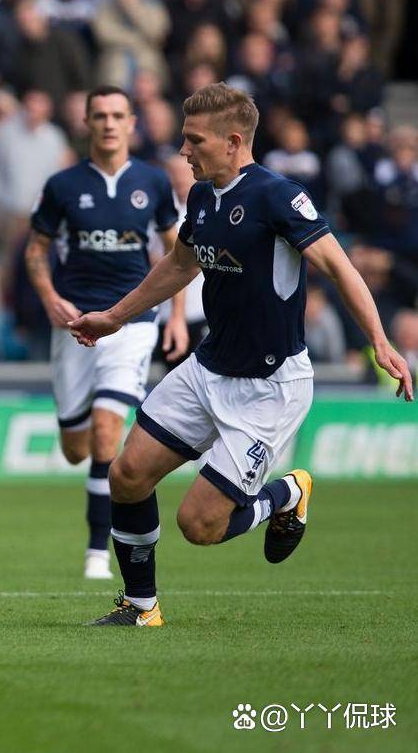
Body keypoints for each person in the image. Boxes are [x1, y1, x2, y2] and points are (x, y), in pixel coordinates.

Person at [70, 83, 413, 626]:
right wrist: (114, 317)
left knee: (199, 525)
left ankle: (286, 494)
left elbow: (339, 266)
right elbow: (181, 266)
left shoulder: (279, 197)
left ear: (233, 142)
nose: (184, 152)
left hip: (269, 388)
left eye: (194, 141)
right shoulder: (204, 196)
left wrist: (379, 339)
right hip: (208, 369)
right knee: (127, 474)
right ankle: (141, 606)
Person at [25, 86, 188, 581]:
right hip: (75, 326)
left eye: (119, 115)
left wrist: (177, 317)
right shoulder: (62, 186)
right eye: (100, 115)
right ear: (87, 123)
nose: (110, 124)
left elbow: (177, 255)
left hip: (132, 323)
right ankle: (81, 455)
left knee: (106, 430)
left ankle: (97, 550)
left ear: (132, 123)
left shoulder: (154, 183)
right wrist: (50, 296)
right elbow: (35, 251)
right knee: (76, 446)